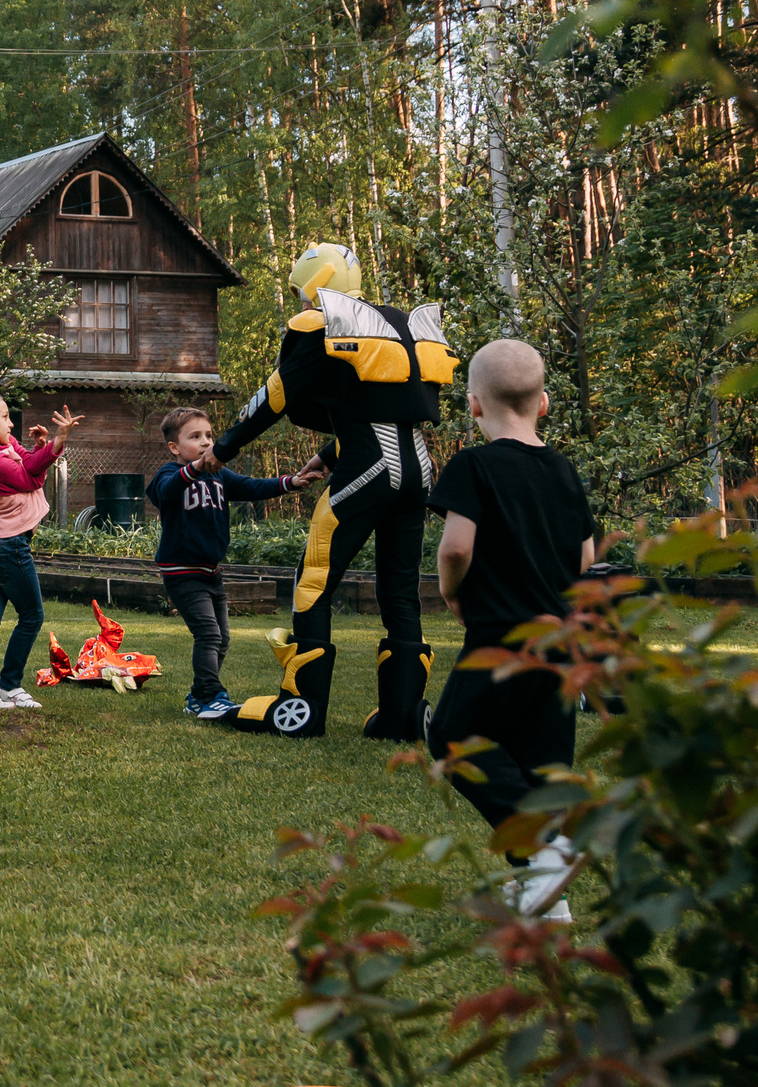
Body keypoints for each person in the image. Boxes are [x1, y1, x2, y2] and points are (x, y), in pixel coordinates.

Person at [207, 241, 457, 739]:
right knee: (400, 591)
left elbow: (276, 396)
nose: (301, 305)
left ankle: (301, 708)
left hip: (368, 472)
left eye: (302, 294)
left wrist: (225, 447)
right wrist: (328, 453)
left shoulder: (323, 324)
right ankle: (403, 716)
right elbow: (382, 408)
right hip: (419, 474)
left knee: (314, 579)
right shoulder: (402, 326)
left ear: (317, 286)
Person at [426, 338, 596, 919]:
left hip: (498, 636)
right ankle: (547, 900)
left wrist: (452, 594)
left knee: (451, 739)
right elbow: (586, 558)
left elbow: (455, 550)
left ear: (474, 405)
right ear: (544, 403)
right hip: (560, 643)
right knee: (540, 766)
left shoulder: (474, 466)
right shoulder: (563, 470)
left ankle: (552, 848)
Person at [148, 406, 321, 719]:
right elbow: (165, 493)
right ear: (175, 447)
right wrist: (197, 468)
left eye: (209, 436)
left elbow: (251, 486)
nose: (205, 443)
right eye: (195, 437)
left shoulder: (219, 476)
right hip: (182, 573)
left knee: (223, 639)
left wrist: (291, 482)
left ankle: (200, 695)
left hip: (212, 573)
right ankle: (212, 695)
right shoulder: (169, 474)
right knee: (209, 635)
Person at [0, 387, 82, 713]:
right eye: (4, 417)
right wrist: (56, 443)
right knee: (32, 616)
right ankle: (8, 686)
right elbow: (31, 478)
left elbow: (28, 459)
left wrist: (40, 447)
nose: (11, 424)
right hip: (8, 547)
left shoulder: (1, 446)